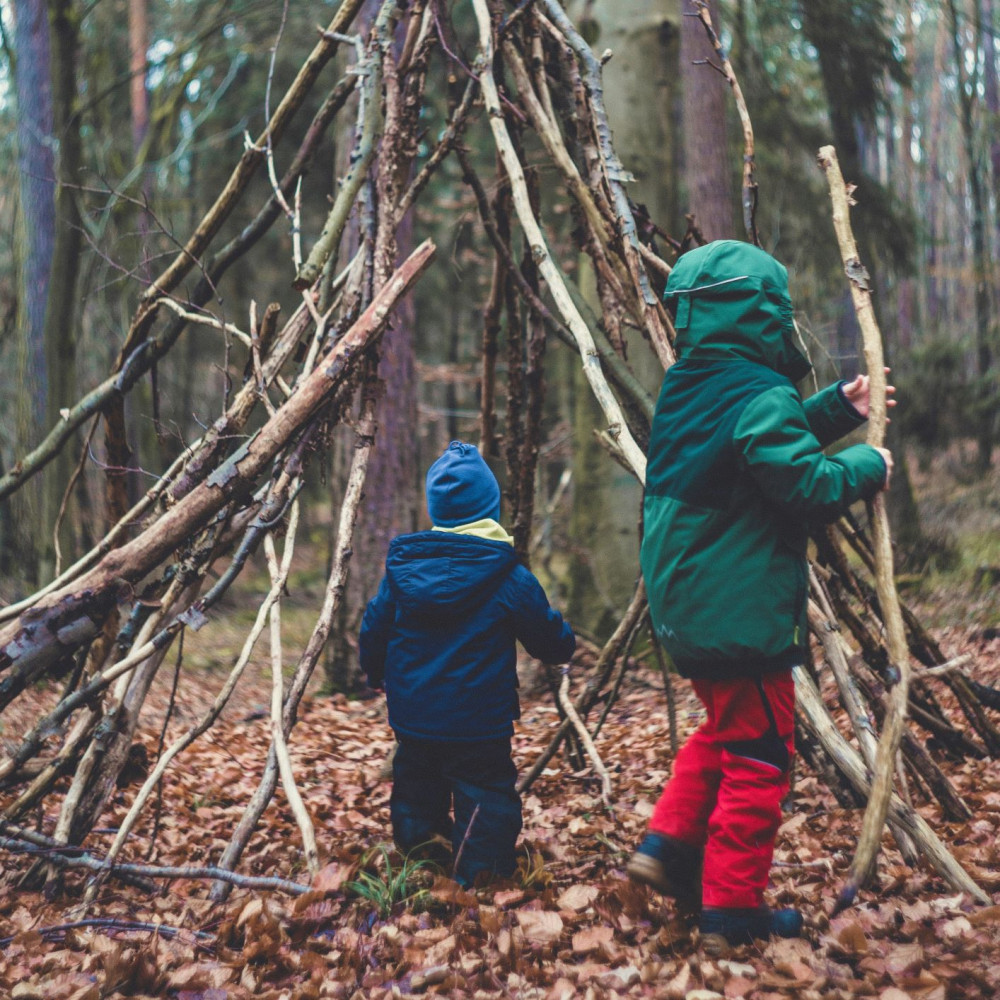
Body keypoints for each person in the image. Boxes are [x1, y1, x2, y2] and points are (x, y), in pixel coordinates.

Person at [627, 240, 894, 954]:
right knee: (762, 756)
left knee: (725, 729)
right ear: (763, 312)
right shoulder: (758, 394)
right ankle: (732, 909)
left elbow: (760, 442)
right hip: (736, 612)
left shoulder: (690, 385)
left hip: (687, 608)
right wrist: (868, 462)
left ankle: (668, 844)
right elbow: (803, 484)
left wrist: (838, 408)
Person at [360, 441, 576, 886]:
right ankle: (481, 877)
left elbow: (374, 628)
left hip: (414, 714)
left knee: (417, 789)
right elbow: (545, 635)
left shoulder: (404, 572)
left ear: (437, 509)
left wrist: (374, 671)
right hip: (480, 721)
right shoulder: (507, 576)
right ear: (490, 508)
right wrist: (563, 645)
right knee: (485, 794)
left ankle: (421, 862)